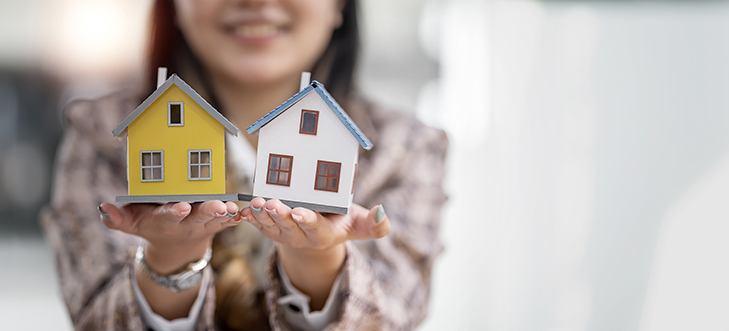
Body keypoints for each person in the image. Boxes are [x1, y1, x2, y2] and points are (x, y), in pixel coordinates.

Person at [40, 0, 448, 330]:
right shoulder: (98, 134)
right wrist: (170, 260)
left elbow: (391, 318)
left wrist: (317, 261)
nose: (255, 2)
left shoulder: (407, 147)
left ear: (340, 6)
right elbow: (97, 320)